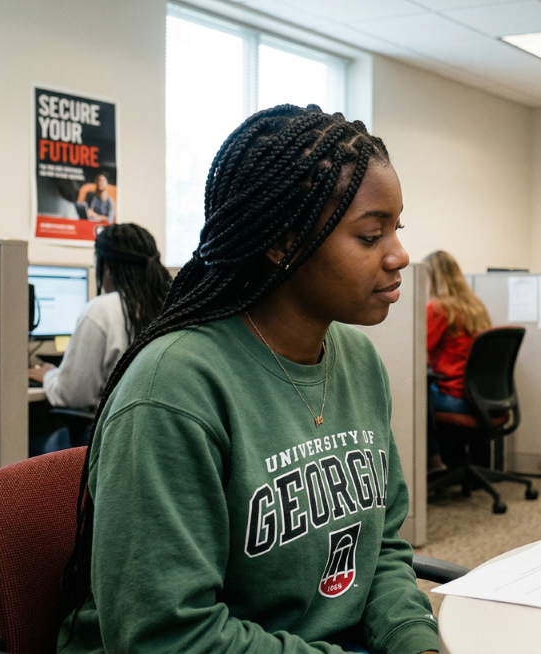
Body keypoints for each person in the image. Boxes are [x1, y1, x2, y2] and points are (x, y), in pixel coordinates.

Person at [58, 105, 438, 654]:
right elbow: (167, 635)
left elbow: (380, 550)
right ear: (282, 241)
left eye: (395, 231)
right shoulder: (174, 390)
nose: (399, 255)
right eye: (370, 235)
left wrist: (413, 640)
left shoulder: (358, 360)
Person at [29, 224, 170, 412]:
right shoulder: (171, 305)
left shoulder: (103, 310)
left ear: (106, 267)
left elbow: (73, 395)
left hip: (116, 427)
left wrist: (48, 376)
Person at [423, 250, 491, 471]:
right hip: (480, 395)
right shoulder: (474, 306)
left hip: (454, 395)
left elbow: (416, 350)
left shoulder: (439, 307)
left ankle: (434, 464)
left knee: (415, 398)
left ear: (433, 277)